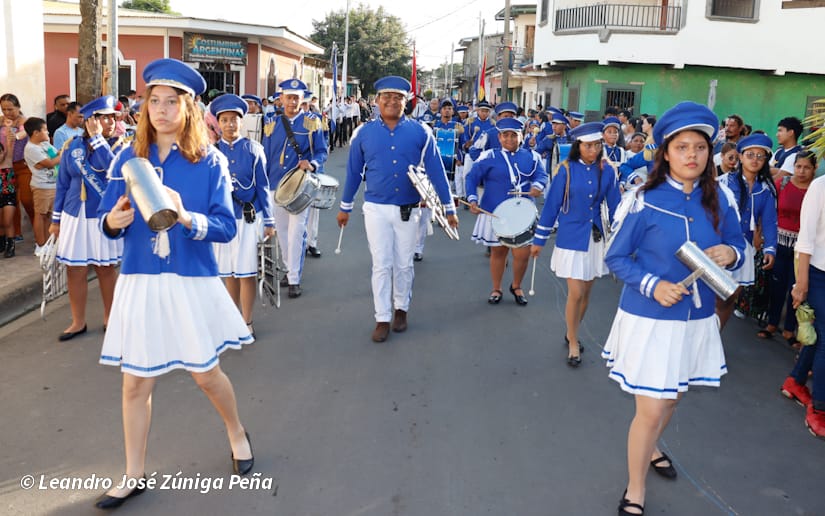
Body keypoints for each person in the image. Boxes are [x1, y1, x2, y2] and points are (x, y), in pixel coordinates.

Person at [94, 58, 254, 509]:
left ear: (188, 107)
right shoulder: (128, 157)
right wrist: (112, 221)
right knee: (135, 384)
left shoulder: (210, 161)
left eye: (171, 102)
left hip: (189, 280)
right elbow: (107, 216)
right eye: (154, 101)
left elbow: (226, 227)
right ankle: (133, 473)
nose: (161, 110)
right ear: (144, 107)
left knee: (206, 376)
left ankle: (236, 431)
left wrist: (186, 217)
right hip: (140, 279)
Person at [601, 101, 746, 516]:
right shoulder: (643, 199)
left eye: (699, 147)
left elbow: (738, 243)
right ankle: (635, 488)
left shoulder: (720, 198)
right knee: (650, 410)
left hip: (695, 319)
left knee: (672, 399)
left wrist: (730, 253)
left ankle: (651, 449)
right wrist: (654, 285)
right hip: (650, 317)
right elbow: (616, 257)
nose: (691, 156)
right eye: (682, 147)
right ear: (665, 153)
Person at [336, 76, 458, 343]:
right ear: (377, 101)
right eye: (386, 97)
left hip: (408, 209)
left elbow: (437, 171)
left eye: (398, 98)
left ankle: (401, 308)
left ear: (407, 101)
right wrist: (345, 207)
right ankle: (382, 317)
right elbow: (354, 172)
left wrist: (448, 208)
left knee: (403, 263)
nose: (392, 102)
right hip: (376, 208)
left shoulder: (421, 132)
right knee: (381, 264)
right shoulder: (363, 133)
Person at [530, 121, 621, 366]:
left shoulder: (607, 170)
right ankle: (573, 340)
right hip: (570, 237)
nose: (594, 150)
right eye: (588, 146)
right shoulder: (566, 170)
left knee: (586, 294)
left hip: (595, 238)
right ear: (578, 146)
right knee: (576, 293)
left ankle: (572, 330)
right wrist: (539, 239)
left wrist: (622, 238)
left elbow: (616, 207)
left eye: (597, 145)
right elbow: (551, 206)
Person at [49, 95, 124, 341]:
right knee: (75, 269)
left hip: (100, 215)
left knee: (105, 268)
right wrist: (56, 220)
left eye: (113, 117)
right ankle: (77, 321)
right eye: (104, 118)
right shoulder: (72, 146)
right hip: (74, 214)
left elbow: (115, 171)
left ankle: (110, 317)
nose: (110, 122)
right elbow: (62, 183)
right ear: (90, 120)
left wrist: (98, 140)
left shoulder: (119, 146)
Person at [211, 94, 275, 336]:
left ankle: (247, 322)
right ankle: (232, 321)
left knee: (246, 272)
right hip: (223, 220)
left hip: (249, 219)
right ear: (218, 123)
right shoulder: (212, 152)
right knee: (229, 273)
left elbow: (263, 187)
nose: (229, 124)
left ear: (241, 121)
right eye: (224, 120)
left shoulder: (253, 149)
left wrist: (269, 220)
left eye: (234, 119)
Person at [466, 118, 547, 305]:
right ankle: (496, 288)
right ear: (499, 137)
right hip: (495, 211)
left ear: (521, 136)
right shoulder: (489, 156)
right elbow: (472, 177)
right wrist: (472, 199)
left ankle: (516, 285)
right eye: (505, 135)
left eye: (514, 135)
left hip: (523, 213)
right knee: (498, 252)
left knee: (522, 254)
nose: (509, 139)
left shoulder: (532, 156)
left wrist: (538, 185)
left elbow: (541, 175)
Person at [262, 79, 328, 298]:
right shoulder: (271, 122)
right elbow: (265, 154)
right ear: (281, 99)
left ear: (302, 100)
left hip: (300, 186)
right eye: (288, 97)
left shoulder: (312, 122)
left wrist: (313, 164)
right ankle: (289, 267)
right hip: (275, 184)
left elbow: (321, 151)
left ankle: (293, 279)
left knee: (297, 231)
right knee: (281, 231)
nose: (292, 102)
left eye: (296, 98)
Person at [716, 134, 778, 330]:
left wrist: (770, 248)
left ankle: (715, 335)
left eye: (760, 156)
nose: (755, 160)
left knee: (730, 297)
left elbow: (769, 221)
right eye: (750, 155)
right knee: (714, 297)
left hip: (745, 249)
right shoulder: (722, 183)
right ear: (741, 157)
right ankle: (703, 336)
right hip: (719, 246)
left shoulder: (766, 189)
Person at [788, 161, 825, 438]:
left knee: (819, 335)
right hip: (816, 274)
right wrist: (801, 285)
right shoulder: (820, 186)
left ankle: (796, 381)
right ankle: (820, 407)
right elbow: (805, 239)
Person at [761, 151, 815, 344]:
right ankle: (771, 324)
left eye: (806, 167)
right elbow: (768, 212)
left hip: (803, 249)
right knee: (777, 285)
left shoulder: (816, 190)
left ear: (814, 169)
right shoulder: (782, 184)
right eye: (798, 166)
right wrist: (762, 236)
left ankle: (790, 330)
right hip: (779, 244)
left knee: (797, 287)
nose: (801, 171)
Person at [23, 117, 60, 254]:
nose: (48, 132)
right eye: (45, 130)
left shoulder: (45, 144)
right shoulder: (31, 148)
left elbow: (55, 155)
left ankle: (48, 243)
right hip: (42, 187)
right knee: (40, 214)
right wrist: (58, 157)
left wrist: (55, 158)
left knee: (49, 215)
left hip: (53, 185)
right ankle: (40, 245)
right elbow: (50, 163)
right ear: (36, 133)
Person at [1, 93, 33, 243]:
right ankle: (16, 233)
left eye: (10, 109)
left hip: (23, 165)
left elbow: (24, 132)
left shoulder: (24, 121)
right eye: (4, 109)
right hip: (6, 167)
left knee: (27, 199)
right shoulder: (1, 121)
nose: (7, 112)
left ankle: (36, 226)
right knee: (11, 201)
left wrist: (15, 135)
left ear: (18, 107)